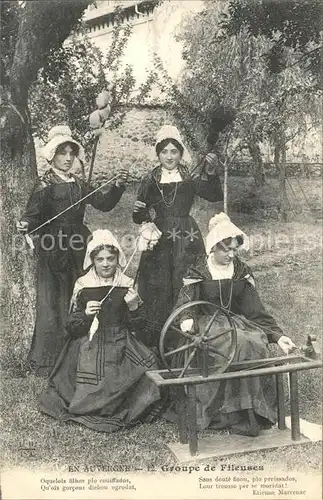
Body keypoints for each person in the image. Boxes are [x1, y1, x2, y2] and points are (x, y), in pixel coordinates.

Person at [16, 125, 128, 376]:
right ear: (52, 156)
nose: (68, 158)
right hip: (53, 247)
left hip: (78, 244)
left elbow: (104, 204)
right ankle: (49, 361)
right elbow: (32, 216)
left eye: (71, 153)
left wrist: (118, 185)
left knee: (80, 296)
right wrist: (26, 224)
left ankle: (82, 352)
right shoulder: (44, 185)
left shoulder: (79, 184)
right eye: (62, 153)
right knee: (54, 300)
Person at [174, 212, 295, 436]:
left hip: (236, 323)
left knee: (253, 341)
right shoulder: (198, 272)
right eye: (225, 249)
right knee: (233, 344)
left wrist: (277, 336)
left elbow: (255, 310)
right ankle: (226, 413)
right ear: (213, 247)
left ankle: (251, 411)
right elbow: (187, 303)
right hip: (207, 324)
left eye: (234, 249)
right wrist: (187, 320)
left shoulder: (241, 271)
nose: (231, 255)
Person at [39, 230, 161, 432]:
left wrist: (133, 307)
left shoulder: (127, 283)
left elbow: (140, 328)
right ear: (93, 260)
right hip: (90, 340)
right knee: (96, 372)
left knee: (148, 368)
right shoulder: (83, 285)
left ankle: (124, 403)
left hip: (121, 339)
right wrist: (86, 314)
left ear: (118, 259)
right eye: (100, 259)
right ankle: (93, 404)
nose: (106, 264)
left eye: (110, 259)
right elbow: (71, 327)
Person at [132, 125, 223, 347]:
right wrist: (147, 223)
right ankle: (158, 338)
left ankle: (187, 335)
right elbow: (138, 212)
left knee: (185, 279)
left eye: (174, 151)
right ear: (158, 153)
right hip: (160, 237)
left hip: (186, 235)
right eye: (165, 152)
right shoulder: (150, 179)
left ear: (181, 153)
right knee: (158, 284)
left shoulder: (189, 177)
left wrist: (211, 173)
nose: (169, 156)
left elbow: (213, 195)